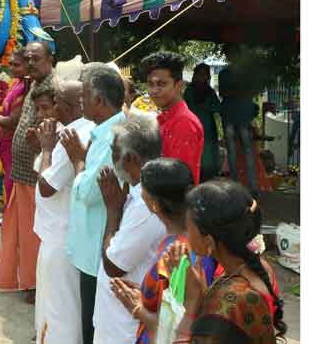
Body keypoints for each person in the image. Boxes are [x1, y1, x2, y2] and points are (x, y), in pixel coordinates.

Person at [165, 181, 285, 343]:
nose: (185, 234)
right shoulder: (254, 268)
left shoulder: (232, 301)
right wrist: (200, 289)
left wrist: (192, 302)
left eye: (188, 227)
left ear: (209, 243)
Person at [60, 62, 125, 344]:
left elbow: (87, 193)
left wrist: (78, 160)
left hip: (97, 248)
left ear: (99, 100)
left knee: (93, 325)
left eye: (84, 96)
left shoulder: (111, 138)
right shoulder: (104, 132)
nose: (80, 101)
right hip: (91, 244)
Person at [92, 114, 166, 344]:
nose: (111, 160)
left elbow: (114, 266)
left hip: (124, 327)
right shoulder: (138, 193)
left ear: (130, 158)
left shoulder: (146, 205)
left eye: (114, 152)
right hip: (116, 320)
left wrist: (113, 211)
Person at [32, 78, 93, 343]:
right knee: (61, 306)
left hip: (61, 237)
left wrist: (46, 148)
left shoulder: (73, 134)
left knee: (60, 310)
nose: (51, 108)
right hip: (66, 233)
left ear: (69, 105)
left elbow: (47, 186)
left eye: (55, 101)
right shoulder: (82, 128)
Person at [108, 158, 194, 344]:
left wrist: (137, 308)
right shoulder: (192, 240)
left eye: (142, 190)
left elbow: (178, 326)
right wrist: (145, 291)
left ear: (154, 204)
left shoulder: (174, 252)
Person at [0, 41, 54, 302]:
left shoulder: (53, 88)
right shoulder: (33, 85)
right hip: (23, 173)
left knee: (34, 234)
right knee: (21, 231)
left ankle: (36, 283)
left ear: (50, 59)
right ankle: (25, 279)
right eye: (28, 59)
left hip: (36, 175)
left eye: (36, 59)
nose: (31, 63)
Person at [140, 51, 204, 185]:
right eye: (150, 84)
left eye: (162, 84)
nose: (154, 90)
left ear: (179, 86)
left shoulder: (184, 122)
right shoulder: (164, 118)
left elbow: (178, 182)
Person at [0, 47, 29, 203]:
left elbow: (13, 121)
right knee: (9, 184)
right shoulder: (16, 82)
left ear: (28, 66)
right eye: (10, 64)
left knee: (12, 185)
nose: (12, 68)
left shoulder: (25, 88)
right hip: (6, 143)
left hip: (15, 144)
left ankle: (16, 222)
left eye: (17, 65)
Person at [219, 44, 259, 192]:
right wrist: (240, 92)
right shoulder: (244, 74)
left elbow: (225, 93)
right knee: (240, 151)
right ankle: (249, 187)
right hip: (237, 114)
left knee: (236, 151)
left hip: (235, 114)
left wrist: (234, 92)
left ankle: (244, 186)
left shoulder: (227, 73)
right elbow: (226, 92)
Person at [184, 63, 222, 182]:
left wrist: (206, 106)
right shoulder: (189, 90)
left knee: (208, 157)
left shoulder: (210, 92)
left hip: (207, 129)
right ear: (195, 75)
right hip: (192, 128)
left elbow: (218, 108)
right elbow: (184, 107)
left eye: (205, 75)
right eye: (200, 74)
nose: (202, 77)